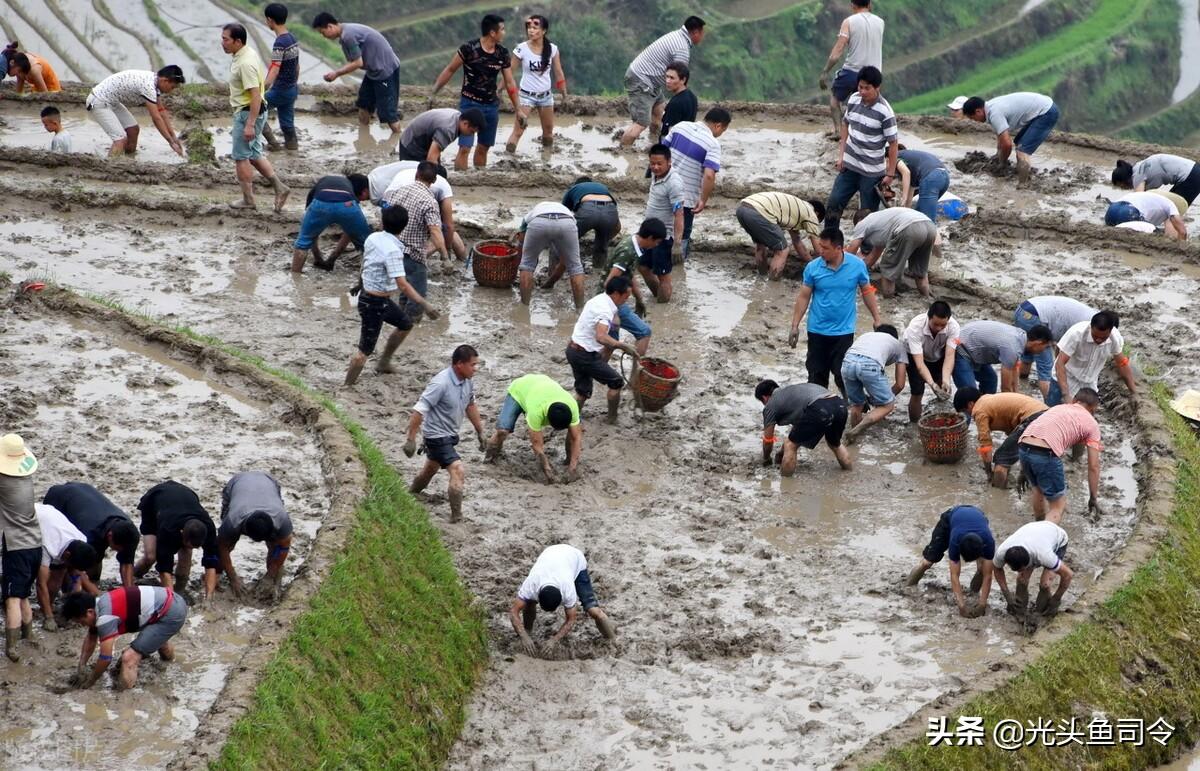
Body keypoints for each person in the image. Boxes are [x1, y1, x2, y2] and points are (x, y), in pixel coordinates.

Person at [344, 204, 441, 385]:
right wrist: (425, 304)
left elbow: (366, 263)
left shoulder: (373, 238)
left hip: (376, 298)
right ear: (404, 227)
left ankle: (384, 362)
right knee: (364, 351)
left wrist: (359, 284)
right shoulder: (393, 251)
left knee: (405, 324)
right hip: (374, 303)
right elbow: (403, 285)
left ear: (382, 222)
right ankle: (346, 386)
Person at [788, 228, 881, 395]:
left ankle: (854, 408)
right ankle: (817, 408)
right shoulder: (813, 268)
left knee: (844, 374)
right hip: (817, 330)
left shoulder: (857, 265)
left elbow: (867, 291)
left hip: (843, 331)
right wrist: (795, 325)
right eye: (820, 246)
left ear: (839, 248)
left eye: (825, 248)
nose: (820, 251)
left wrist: (877, 318)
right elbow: (803, 297)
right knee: (816, 375)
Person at [403, 345, 485, 523]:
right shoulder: (441, 383)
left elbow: (470, 405)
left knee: (430, 470)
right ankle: (457, 516)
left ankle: (410, 494)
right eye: (472, 365)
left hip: (450, 434)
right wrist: (411, 439)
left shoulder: (467, 380)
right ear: (459, 364)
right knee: (458, 470)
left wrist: (480, 431)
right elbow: (419, 410)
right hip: (436, 436)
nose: (476, 369)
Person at [430, 14, 518, 170]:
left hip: (491, 106)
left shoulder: (502, 53)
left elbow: (510, 82)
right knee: (464, 148)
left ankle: (477, 184)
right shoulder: (468, 49)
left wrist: (519, 109)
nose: (504, 32)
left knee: (483, 148)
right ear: (492, 32)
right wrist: (434, 91)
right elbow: (450, 69)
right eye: (502, 29)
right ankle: (462, 185)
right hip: (470, 104)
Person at [63, 586, 188, 689]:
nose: (82, 625)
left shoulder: (105, 617)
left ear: (89, 612)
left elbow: (106, 658)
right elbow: (91, 637)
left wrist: (90, 681)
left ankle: (125, 698)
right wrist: (82, 665)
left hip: (171, 613)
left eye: (81, 621)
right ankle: (169, 663)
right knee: (157, 639)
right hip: (167, 602)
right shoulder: (100, 602)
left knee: (129, 658)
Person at [222, 24, 290, 212]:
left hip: (247, 113)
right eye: (222, 38)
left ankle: (248, 200)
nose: (223, 43)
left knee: (240, 157)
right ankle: (280, 187)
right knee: (254, 154)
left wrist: (250, 124)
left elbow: (255, 95)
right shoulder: (246, 53)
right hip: (252, 112)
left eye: (226, 39)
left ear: (238, 41)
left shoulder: (245, 64)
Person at [510, 544, 616, 657]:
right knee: (529, 602)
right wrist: (524, 636)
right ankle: (528, 631)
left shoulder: (568, 589)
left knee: (593, 611)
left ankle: (613, 641)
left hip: (575, 559)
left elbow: (571, 619)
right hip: (550, 553)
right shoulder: (531, 584)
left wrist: (554, 640)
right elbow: (513, 612)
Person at [825, 66, 897, 228]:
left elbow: (893, 144)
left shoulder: (885, 112)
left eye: (867, 88)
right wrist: (841, 155)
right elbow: (845, 124)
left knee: (868, 216)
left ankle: (866, 251)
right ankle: (830, 242)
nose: (863, 92)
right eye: (860, 87)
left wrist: (890, 173)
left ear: (877, 88)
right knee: (834, 204)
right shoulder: (853, 99)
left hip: (871, 172)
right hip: (849, 165)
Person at [1018, 389, 1105, 523]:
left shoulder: (1058, 408)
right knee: (1058, 504)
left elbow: (1036, 429)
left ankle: (1038, 526)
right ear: (1093, 409)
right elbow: (1093, 465)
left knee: (1038, 489)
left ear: (1075, 401)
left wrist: (1024, 470)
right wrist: (1093, 497)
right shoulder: (1092, 424)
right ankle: (1045, 538)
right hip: (1045, 452)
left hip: (1024, 445)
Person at [381, 162, 451, 323]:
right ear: (433, 181)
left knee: (405, 289)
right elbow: (435, 231)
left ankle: (400, 320)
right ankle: (410, 325)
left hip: (393, 250)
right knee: (417, 295)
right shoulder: (429, 201)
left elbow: (384, 219)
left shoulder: (397, 192)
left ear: (416, 175)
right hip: (413, 255)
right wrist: (445, 257)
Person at [621, 17, 706, 146]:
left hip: (650, 81)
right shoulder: (682, 49)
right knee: (641, 123)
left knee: (659, 115)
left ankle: (654, 144)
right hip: (642, 80)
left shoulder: (677, 35)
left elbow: (678, 78)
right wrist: (683, 101)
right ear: (695, 33)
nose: (702, 37)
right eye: (702, 33)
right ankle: (623, 152)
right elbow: (679, 79)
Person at [485, 374, 584, 484]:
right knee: (502, 431)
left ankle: (568, 460)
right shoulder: (536, 412)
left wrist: (572, 468)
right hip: (520, 389)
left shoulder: (572, 406)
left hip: (541, 384)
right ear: (547, 420)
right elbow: (537, 445)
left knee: (573, 433)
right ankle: (490, 458)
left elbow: (576, 437)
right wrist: (548, 470)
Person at [567, 276, 641, 424]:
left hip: (572, 350)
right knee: (616, 382)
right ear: (616, 294)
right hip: (585, 355)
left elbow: (612, 321)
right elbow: (601, 336)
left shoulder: (598, 299)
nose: (626, 301)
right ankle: (612, 419)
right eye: (625, 297)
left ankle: (571, 419)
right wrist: (623, 346)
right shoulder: (605, 311)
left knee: (583, 390)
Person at [132, 481, 219, 604]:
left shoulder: (209, 528)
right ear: (182, 532)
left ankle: (180, 590)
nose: (192, 549)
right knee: (151, 556)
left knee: (186, 557)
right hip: (154, 503)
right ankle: (134, 575)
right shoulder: (168, 530)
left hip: (186, 495)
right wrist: (171, 602)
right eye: (189, 545)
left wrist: (209, 599)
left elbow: (211, 564)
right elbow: (164, 568)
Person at [313, 13, 402, 132]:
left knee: (389, 114)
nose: (324, 36)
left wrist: (336, 74)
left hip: (385, 71)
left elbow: (357, 63)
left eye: (322, 32)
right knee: (363, 104)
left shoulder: (348, 35)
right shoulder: (346, 32)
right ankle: (364, 139)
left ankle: (400, 141)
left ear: (330, 26)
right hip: (373, 71)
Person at [663, 107, 731, 261]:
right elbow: (709, 175)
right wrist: (703, 200)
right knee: (682, 234)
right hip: (685, 197)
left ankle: (655, 260)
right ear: (718, 126)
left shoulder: (680, 126)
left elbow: (661, 152)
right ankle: (677, 270)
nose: (720, 134)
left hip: (663, 188)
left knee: (660, 227)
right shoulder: (712, 144)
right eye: (723, 130)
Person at [42, 482, 138, 588]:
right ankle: (67, 589)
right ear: (110, 536)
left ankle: (92, 582)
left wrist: (130, 594)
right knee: (62, 563)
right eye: (117, 549)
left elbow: (127, 563)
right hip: (60, 499)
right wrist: (88, 591)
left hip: (85, 492)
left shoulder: (130, 532)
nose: (119, 552)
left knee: (95, 559)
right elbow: (76, 563)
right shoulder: (87, 534)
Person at [906, 505, 995, 618]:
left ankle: (973, 593)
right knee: (927, 562)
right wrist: (961, 606)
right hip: (950, 518)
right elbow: (954, 575)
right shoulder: (955, 541)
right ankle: (908, 586)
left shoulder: (989, 542)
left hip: (978, 516)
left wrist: (982, 604)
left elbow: (988, 576)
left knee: (982, 568)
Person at [217, 471, 294, 601]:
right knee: (228, 544)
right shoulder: (233, 521)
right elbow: (221, 546)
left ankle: (274, 576)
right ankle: (219, 572)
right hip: (237, 483)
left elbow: (284, 545)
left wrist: (270, 575)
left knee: (275, 546)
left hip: (269, 482)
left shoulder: (281, 519)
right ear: (244, 530)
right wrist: (233, 578)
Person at [371, 160, 467, 259]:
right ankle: (462, 258)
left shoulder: (404, 174)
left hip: (390, 203)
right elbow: (448, 226)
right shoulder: (442, 187)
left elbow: (385, 216)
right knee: (441, 231)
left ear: (417, 174)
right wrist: (446, 251)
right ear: (434, 180)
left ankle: (392, 252)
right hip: (410, 205)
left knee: (400, 231)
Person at [953, 388, 1047, 488]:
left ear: (970, 404)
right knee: (1028, 453)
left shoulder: (979, 410)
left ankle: (998, 494)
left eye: (965, 411)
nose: (969, 415)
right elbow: (1013, 431)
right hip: (1048, 416)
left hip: (1033, 420)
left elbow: (985, 445)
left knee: (1001, 459)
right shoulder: (989, 399)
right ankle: (1029, 483)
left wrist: (989, 473)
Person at [597, 218, 665, 357]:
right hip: (609, 301)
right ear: (651, 238)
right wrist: (614, 313)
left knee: (611, 343)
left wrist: (639, 299)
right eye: (657, 242)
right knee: (644, 332)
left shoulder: (633, 244)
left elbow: (629, 275)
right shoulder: (627, 251)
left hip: (609, 300)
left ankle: (596, 372)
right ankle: (637, 374)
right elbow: (609, 283)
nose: (655, 246)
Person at [1, 434, 42, 661]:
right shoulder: (26, 477)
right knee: (24, 594)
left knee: (12, 598)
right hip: (35, 542)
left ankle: (12, 647)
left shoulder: (3, 480)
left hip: (16, 546)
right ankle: (28, 636)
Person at [85, 66, 186, 157]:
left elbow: (162, 112)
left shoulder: (155, 81)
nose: (171, 90)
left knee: (133, 130)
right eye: (172, 87)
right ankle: (110, 168)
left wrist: (174, 137)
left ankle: (129, 161)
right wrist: (170, 142)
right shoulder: (148, 87)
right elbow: (156, 118)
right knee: (120, 139)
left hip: (112, 101)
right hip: (98, 101)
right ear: (165, 81)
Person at [755, 379, 852, 474]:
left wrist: (766, 458)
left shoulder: (770, 405)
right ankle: (849, 473)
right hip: (839, 405)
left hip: (819, 408)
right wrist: (781, 452)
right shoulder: (792, 392)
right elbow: (799, 428)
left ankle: (786, 485)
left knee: (790, 445)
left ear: (764, 398)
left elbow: (768, 441)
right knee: (835, 444)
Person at [818, 0, 885, 134]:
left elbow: (838, 50)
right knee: (867, 104)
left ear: (852, 5)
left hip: (852, 72)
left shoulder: (849, 22)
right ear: (869, 4)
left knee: (835, 100)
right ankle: (864, 132)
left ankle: (838, 132)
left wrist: (825, 71)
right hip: (874, 74)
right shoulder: (880, 22)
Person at [962, 92, 1060, 182]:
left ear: (978, 111)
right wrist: (998, 155)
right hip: (1043, 106)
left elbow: (1007, 145)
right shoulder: (991, 107)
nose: (974, 121)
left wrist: (1002, 163)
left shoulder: (995, 114)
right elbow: (1001, 137)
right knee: (1019, 142)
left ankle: (1023, 185)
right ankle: (1023, 176)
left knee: (1022, 151)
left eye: (972, 117)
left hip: (1046, 112)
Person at [504, 14, 566, 152]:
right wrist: (499, 90)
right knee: (518, 132)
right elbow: (509, 72)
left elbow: (558, 72)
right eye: (529, 27)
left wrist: (564, 94)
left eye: (535, 27)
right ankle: (507, 160)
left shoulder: (552, 49)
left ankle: (546, 159)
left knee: (548, 133)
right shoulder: (521, 49)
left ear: (544, 31)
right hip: (526, 96)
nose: (531, 30)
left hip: (546, 97)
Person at [34, 502, 97, 631]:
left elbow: (75, 575)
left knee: (61, 573)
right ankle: (46, 610)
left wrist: (77, 604)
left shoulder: (81, 540)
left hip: (51, 517)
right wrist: (49, 617)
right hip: (27, 517)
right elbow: (41, 585)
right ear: (67, 555)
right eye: (71, 564)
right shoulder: (48, 547)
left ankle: (50, 604)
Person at [847, 206, 937, 296]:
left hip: (909, 227)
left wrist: (843, 271)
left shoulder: (862, 223)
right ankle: (927, 299)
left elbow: (852, 249)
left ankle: (889, 302)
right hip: (930, 226)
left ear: (859, 221)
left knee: (887, 272)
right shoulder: (881, 221)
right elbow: (873, 255)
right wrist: (860, 271)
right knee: (920, 272)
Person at [840, 325, 908, 444]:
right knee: (888, 405)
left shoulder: (866, 336)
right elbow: (900, 384)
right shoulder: (898, 345)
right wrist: (883, 401)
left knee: (857, 404)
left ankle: (853, 441)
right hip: (870, 365)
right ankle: (858, 429)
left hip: (847, 363)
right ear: (894, 337)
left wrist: (876, 397)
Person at [291, 173, 372, 272]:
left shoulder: (322, 183)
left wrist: (318, 258)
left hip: (320, 203)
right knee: (367, 244)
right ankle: (366, 280)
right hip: (348, 206)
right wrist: (333, 257)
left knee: (303, 241)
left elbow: (312, 232)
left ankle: (295, 277)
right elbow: (350, 232)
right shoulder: (349, 191)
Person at [1053, 311, 1137, 407]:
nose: (1098, 340)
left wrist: (1134, 392)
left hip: (1089, 383)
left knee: (1084, 417)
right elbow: (1060, 363)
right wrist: (1066, 394)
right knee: (1052, 412)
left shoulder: (1115, 338)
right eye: (1095, 336)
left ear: (1110, 331)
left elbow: (1122, 364)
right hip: (1065, 377)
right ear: (1091, 327)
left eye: (1103, 338)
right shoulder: (1076, 334)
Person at [1012, 295, 1097, 389]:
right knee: (1046, 369)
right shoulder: (1091, 326)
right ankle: (1048, 403)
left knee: (1028, 353)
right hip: (1036, 317)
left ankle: (1022, 385)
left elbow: (1061, 348)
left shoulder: (1093, 316)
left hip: (1023, 309)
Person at [948, 320, 1052, 396]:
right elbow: (1005, 388)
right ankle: (971, 414)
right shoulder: (1012, 347)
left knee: (990, 379)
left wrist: (1017, 395)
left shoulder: (1021, 337)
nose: (1044, 351)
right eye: (1046, 347)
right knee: (969, 394)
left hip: (975, 349)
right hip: (960, 347)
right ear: (1038, 343)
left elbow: (1014, 369)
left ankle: (983, 408)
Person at [992, 520, 1071, 618]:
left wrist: (1057, 598)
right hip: (1033, 530)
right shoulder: (1002, 552)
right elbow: (997, 568)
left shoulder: (1044, 555)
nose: (1018, 572)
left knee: (1045, 584)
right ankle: (1019, 611)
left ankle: (1039, 614)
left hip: (1058, 538)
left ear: (1029, 563)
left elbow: (1068, 575)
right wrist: (1007, 595)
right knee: (1021, 580)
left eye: (1021, 569)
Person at [735, 192, 824, 279]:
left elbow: (797, 242)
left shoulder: (796, 210)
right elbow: (819, 250)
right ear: (817, 214)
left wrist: (811, 263)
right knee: (782, 250)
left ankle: (761, 277)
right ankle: (772, 286)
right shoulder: (811, 214)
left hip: (742, 208)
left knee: (760, 244)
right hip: (759, 212)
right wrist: (823, 268)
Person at [515, 201, 584, 308]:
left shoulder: (532, 213)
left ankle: (524, 307)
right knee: (575, 268)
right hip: (566, 223)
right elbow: (565, 260)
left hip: (539, 222)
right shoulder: (566, 211)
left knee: (527, 265)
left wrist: (522, 261)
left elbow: (521, 240)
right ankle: (580, 309)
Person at [643, 144, 686, 301]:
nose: (655, 167)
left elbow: (679, 214)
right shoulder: (656, 175)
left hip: (663, 237)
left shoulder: (674, 183)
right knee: (642, 266)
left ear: (669, 162)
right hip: (648, 234)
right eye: (652, 163)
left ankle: (663, 308)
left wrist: (677, 244)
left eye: (659, 163)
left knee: (663, 276)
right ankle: (658, 297)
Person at [902, 301, 957, 422]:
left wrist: (946, 380)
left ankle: (944, 420)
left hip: (937, 352)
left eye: (943, 325)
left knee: (943, 387)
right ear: (928, 317)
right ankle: (915, 425)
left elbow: (949, 356)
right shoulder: (915, 327)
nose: (939, 328)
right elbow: (920, 364)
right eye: (935, 324)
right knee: (917, 391)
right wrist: (931, 384)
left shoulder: (954, 326)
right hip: (914, 354)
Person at [263, 3, 300, 151]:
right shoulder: (292, 38)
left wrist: (262, 88)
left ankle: (274, 145)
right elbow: (297, 67)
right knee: (287, 123)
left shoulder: (279, 43)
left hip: (280, 90)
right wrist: (293, 85)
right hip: (291, 89)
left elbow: (275, 70)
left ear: (270, 20)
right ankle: (292, 147)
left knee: (251, 111)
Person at [561, 177, 620, 269]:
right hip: (610, 211)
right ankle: (598, 271)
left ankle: (556, 270)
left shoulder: (574, 188)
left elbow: (562, 213)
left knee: (564, 240)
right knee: (601, 247)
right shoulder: (602, 187)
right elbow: (617, 226)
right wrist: (606, 238)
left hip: (588, 210)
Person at [397, 107, 484, 163]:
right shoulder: (448, 129)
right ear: (465, 123)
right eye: (472, 132)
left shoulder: (457, 116)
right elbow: (431, 159)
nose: (471, 135)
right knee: (417, 177)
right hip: (411, 144)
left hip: (421, 140)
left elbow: (436, 149)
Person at [1113, 154, 1200, 209]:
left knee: (1171, 210)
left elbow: (1139, 202)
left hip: (1191, 176)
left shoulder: (1137, 177)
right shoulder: (1139, 167)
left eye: (1121, 186)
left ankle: (1172, 237)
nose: (1123, 188)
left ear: (1124, 180)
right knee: (1170, 207)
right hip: (1194, 170)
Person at [1104, 191, 1188, 240]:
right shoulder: (1171, 205)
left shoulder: (1151, 196)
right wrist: (1180, 246)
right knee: (1158, 237)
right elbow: (1181, 232)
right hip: (1129, 212)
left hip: (1111, 210)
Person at [896, 147, 950, 222]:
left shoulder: (893, 156)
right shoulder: (912, 160)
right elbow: (910, 191)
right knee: (919, 212)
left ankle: (933, 232)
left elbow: (906, 173)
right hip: (945, 177)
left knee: (927, 220)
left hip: (931, 179)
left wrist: (903, 198)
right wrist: (906, 210)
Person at [659, 62, 698, 142]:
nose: (667, 81)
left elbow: (669, 132)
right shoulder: (692, 96)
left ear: (683, 80)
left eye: (672, 78)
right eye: (667, 77)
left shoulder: (675, 103)